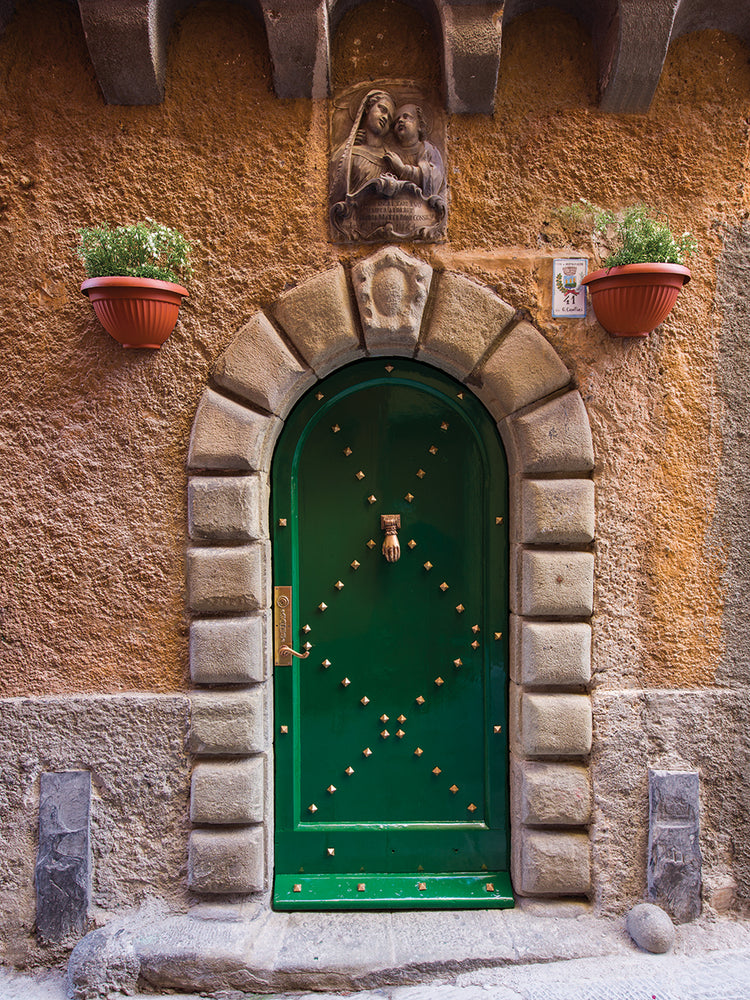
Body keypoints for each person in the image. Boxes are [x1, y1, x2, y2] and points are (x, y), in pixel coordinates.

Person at [330, 89, 396, 203]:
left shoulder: (390, 159)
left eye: (389, 118)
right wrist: (348, 145)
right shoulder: (348, 152)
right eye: (382, 109)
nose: (385, 117)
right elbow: (335, 186)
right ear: (367, 108)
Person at [383, 104, 445, 198]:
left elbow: (433, 180)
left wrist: (402, 169)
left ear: (419, 125)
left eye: (406, 117)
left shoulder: (428, 150)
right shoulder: (391, 153)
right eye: (396, 121)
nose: (400, 121)